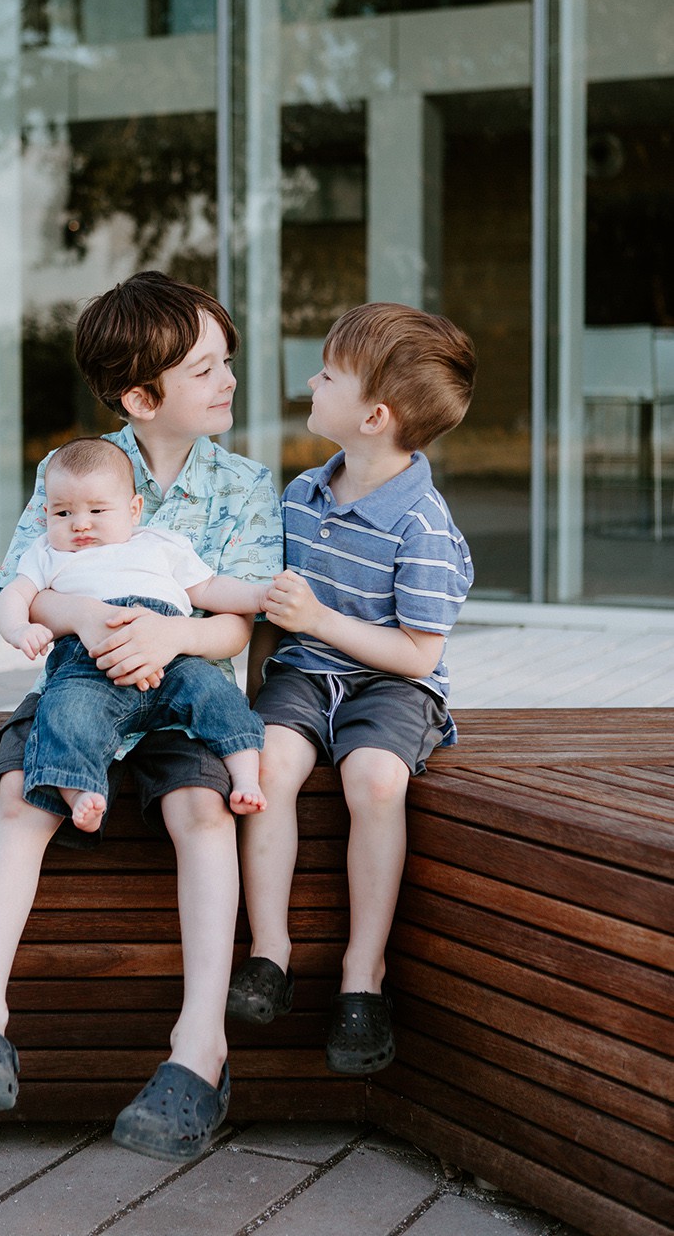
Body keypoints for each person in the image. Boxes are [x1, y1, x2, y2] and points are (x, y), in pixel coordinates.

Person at [0, 272, 282, 1163]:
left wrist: (169, 636)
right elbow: (25, 588)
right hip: (80, 688)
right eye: (206, 368)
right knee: (21, 797)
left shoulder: (242, 486)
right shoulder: (72, 472)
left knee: (202, 815)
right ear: (139, 395)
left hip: (181, 701)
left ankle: (200, 1051)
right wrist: (78, 617)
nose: (227, 380)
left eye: (225, 361)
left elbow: (236, 620)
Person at [227, 301, 476, 1078]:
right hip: (303, 674)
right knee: (264, 765)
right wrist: (252, 690)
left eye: (326, 372)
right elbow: (274, 620)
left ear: (373, 415)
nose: (310, 379)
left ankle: (361, 978)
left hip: (391, 685)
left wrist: (320, 619)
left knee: (374, 780)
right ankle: (269, 952)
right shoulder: (301, 495)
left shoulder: (423, 526)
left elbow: (416, 653)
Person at [0, 435, 268, 830]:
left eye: (97, 509)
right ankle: (81, 791)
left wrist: (259, 594)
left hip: (171, 658)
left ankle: (245, 776)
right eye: (63, 513)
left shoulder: (161, 545)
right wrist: (19, 628)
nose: (80, 523)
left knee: (216, 694)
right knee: (66, 714)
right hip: (90, 663)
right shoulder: (46, 552)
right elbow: (14, 594)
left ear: (134, 510)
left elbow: (209, 589)